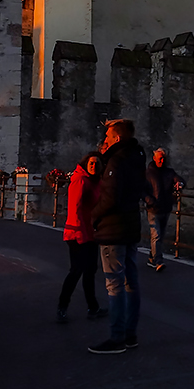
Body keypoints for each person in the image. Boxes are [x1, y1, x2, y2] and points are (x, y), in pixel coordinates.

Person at [83, 119, 147, 354]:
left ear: (117, 139)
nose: (104, 141)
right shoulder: (137, 156)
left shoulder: (116, 161)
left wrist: (93, 216)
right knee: (131, 281)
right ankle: (130, 335)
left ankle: (117, 337)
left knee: (114, 285)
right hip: (130, 226)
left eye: (108, 137)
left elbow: (110, 198)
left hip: (114, 229)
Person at [57, 152, 106, 321]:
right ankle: (62, 307)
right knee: (76, 270)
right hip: (77, 232)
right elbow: (75, 208)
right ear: (86, 164)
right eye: (91, 163)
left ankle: (93, 307)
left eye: (97, 163)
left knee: (90, 270)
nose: (94, 166)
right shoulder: (80, 181)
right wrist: (79, 232)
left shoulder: (97, 182)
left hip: (91, 232)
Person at [143, 148, 184, 271]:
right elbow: (142, 189)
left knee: (160, 236)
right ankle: (158, 261)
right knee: (156, 235)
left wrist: (179, 184)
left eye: (163, 158)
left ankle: (152, 257)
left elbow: (179, 179)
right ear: (154, 158)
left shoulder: (169, 172)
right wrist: (150, 200)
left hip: (165, 208)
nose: (161, 160)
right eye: (159, 158)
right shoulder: (148, 173)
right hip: (154, 209)